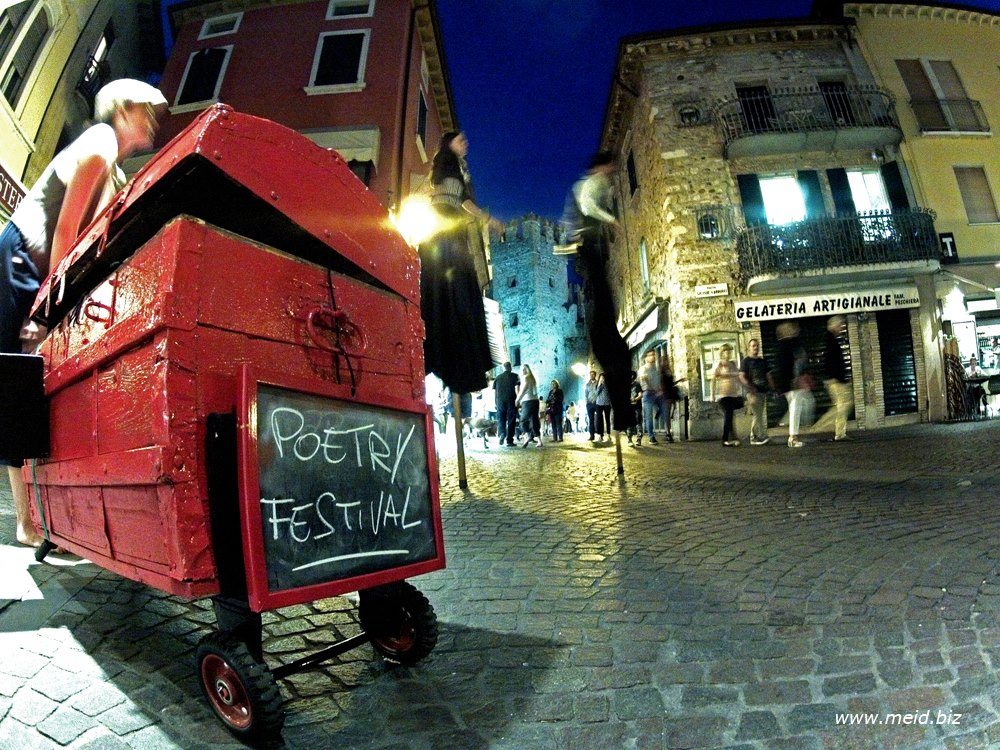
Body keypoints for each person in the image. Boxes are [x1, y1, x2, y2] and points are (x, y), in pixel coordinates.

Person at [1, 79, 166, 547]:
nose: (152, 120)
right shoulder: (100, 142)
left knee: (29, 386)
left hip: (32, 268)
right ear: (122, 110)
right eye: (145, 109)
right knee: (17, 385)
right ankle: (26, 522)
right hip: (20, 259)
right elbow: (66, 232)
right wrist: (51, 308)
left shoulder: (111, 165)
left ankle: (36, 518)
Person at [419, 132, 504, 396]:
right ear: (449, 144)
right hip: (445, 228)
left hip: (443, 228)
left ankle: (448, 351)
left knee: (450, 290)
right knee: (456, 290)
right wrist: (489, 219)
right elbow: (463, 201)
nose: (465, 143)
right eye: (460, 140)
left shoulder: (450, 166)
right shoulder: (449, 163)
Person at [560, 152, 636, 436]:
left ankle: (623, 415)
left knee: (617, 351)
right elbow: (589, 206)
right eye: (611, 165)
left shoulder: (594, 184)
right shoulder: (592, 184)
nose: (614, 169)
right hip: (589, 252)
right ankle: (623, 415)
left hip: (590, 257)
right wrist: (611, 220)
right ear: (602, 166)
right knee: (611, 343)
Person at [813, 315, 853, 441]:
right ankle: (824, 426)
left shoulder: (831, 339)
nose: (842, 327)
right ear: (834, 326)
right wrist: (836, 378)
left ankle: (839, 432)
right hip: (835, 379)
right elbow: (831, 361)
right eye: (841, 325)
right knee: (843, 405)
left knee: (843, 405)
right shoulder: (830, 340)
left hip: (835, 378)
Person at [771, 321, 808, 448]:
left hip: (788, 384)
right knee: (795, 409)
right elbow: (789, 366)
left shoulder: (781, 346)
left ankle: (791, 434)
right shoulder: (788, 345)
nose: (795, 330)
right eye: (792, 329)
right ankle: (793, 438)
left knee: (795, 408)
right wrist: (795, 380)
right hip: (792, 384)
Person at [739, 338, 770, 445]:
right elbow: (741, 376)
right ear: (749, 348)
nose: (756, 347)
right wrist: (750, 388)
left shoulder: (762, 361)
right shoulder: (746, 361)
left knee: (758, 414)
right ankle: (758, 436)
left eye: (757, 345)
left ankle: (756, 436)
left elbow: (768, 375)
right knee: (758, 414)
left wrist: (773, 388)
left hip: (762, 391)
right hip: (752, 392)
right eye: (753, 346)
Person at [711, 344, 743, 446]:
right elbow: (713, 380)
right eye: (726, 351)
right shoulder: (719, 364)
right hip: (723, 395)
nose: (728, 353)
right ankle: (725, 439)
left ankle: (733, 438)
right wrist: (712, 394)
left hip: (733, 394)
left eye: (729, 351)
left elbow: (738, 378)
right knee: (728, 415)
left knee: (730, 416)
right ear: (722, 353)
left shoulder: (733, 364)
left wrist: (744, 388)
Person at [637, 349, 663, 445]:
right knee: (648, 416)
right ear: (646, 358)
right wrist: (648, 382)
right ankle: (651, 437)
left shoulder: (656, 369)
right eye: (650, 355)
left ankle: (658, 412)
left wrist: (659, 389)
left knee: (663, 408)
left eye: (654, 355)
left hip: (656, 393)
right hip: (648, 393)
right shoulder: (643, 368)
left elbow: (658, 381)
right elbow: (642, 378)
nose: (653, 356)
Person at [493, 361, 519, 446]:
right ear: (510, 367)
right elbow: (517, 389)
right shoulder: (515, 376)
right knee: (511, 420)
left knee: (501, 419)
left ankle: (502, 433)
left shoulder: (497, 377)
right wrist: (518, 400)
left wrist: (495, 402)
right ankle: (509, 440)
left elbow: (495, 392)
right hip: (511, 401)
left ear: (503, 368)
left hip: (500, 401)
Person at [515, 364, 541, 447]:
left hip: (527, 401)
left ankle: (527, 436)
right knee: (534, 420)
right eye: (522, 369)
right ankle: (539, 441)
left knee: (522, 420)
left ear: (527, 370)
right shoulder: (532, 378)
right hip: (535, 401)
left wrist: (517, 399)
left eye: (524, 369)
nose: (523, 371)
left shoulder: (525, 377)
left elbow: (523, 390)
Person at [659, 351, 680, 443]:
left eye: (667, 360)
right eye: (665, 361)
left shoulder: (669, 371)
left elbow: (671, 383)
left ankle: (668, 432)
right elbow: (661, 384)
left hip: (671, 393)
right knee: (667, 414)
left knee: (671, 412)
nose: (667, 362)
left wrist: (679, 381)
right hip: (665, 394)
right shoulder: (661, 373)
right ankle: (668, 433)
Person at [627, 370, 642, 444]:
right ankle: (629, 439)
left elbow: (640, 395)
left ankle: (639, 439)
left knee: (638, 421)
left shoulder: (637, 384)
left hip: (637, 406)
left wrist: (635, 399)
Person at [595, 373, 611, 441]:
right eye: (601, 378)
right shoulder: (598, 385)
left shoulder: (608, 385)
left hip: (607, 403)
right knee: (599, 419)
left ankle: (608, 434)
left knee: (607, 419)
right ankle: (600, 435)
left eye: (603, 378)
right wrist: (599, 385)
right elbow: (596, 393)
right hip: (599, 403)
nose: (602, 379)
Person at [585, 370, 599, 441]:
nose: (591, 376)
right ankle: (591, 435)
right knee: (591, 420)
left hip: (597, 402)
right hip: (589, 403)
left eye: (593, 374)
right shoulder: (587, 384)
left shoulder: (598, 383)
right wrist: (587, 401)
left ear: (595, 375)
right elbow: (586, 393)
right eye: (590, 375)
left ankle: (600, 434)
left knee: (599, 418)